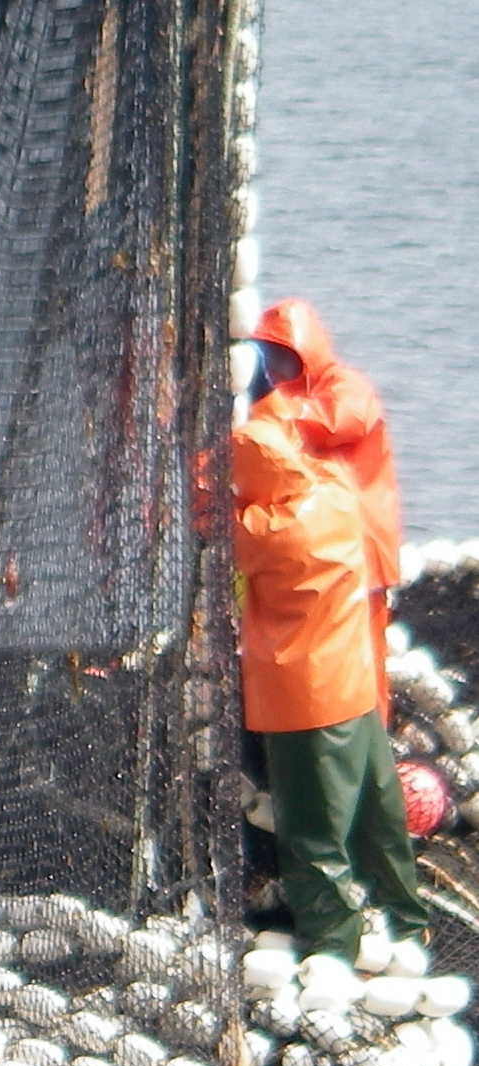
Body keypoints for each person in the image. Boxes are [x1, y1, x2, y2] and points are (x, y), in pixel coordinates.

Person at [230, 411, 428, 964]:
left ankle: (331, 946)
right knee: (375, 817)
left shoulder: (274, 530)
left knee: (313, 832)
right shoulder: (334, 494)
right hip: (354, 688)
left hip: (304, 701)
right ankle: (406, 923)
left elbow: (214, 525)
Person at [247, 298, 401, 715]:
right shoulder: (267, 412)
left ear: (308, 351)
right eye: (270, 359)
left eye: (285, 358)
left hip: (363, 558)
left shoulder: (344, 386)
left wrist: (270, 415)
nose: (277, 371)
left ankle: (372, 756)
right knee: (321, 677)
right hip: (316, 561)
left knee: (364, 673)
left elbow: (336, 420)